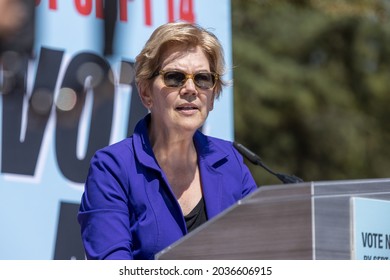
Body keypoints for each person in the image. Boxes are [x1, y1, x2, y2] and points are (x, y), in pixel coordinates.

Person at [77, 22, 258, 260]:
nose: (191, 89)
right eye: (175, 77)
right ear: (145, 93)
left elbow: (261, 252)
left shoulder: (231, 162)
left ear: (213, 96)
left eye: (203, 78)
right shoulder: (112, 167)